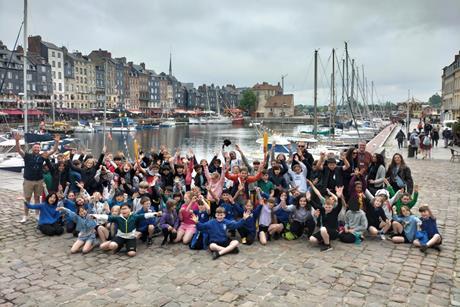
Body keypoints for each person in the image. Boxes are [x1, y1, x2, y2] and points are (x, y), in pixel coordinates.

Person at [15, 133, 60, 223]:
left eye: (38, 147)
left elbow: (54, 150)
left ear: (40, 149)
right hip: (28, 180)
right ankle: (25, 216)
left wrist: (56, 142)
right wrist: (17, 141)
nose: (36, 149)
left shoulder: (43, 156)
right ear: (33, 148)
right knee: (27, 198)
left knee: (37, 198)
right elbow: (19, 150)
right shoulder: (27, 156)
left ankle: (37, 215)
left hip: (39, 180)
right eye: (35, 147)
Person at [93, 203, 160, 257]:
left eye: (125, 209)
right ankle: (119, 245)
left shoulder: (135, 216)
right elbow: (106, 217)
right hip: (120, 237)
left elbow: (145, 215)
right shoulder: (118, 218)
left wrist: (155, 214)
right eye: (122, 209)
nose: (123, 210)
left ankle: (126, 246)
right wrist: (95, 216)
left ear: (130, 209)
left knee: (132, 254)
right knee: (108, 246)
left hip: (130, 238)